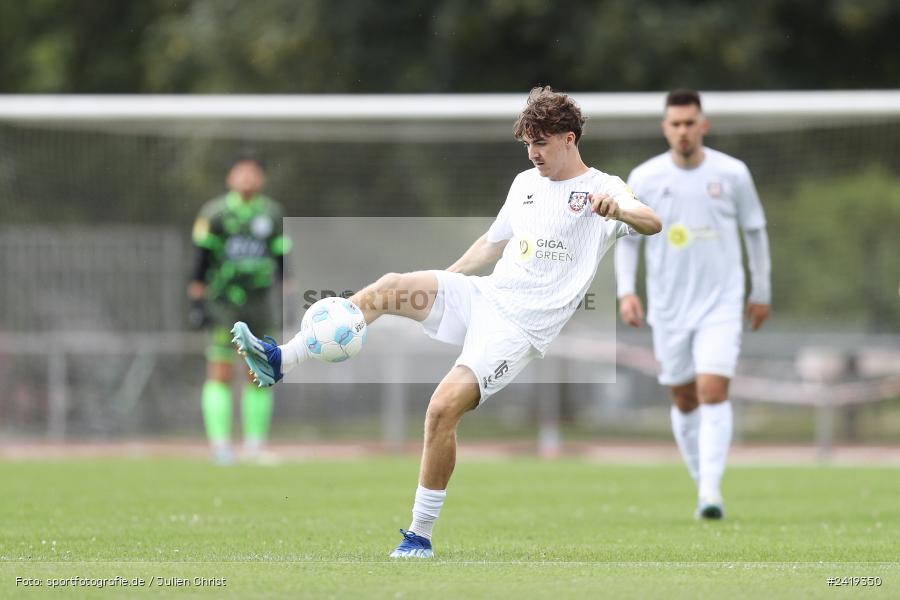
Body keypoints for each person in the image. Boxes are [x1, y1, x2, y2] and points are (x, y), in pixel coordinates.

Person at [232, 87, 661, 557]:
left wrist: (619, 208)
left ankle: (419, 535)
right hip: (482, 297)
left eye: (542, 142)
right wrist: (443, 283)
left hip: (518, 331)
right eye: (528, 143)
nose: (534, 152)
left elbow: (650, 219)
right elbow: (490, 244)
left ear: (569, 139)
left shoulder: (603, 187)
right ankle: (282, 359)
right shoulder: (524, 184)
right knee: (393, 285)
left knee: (440, 410)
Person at [615, 89, 771, 519]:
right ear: (665, 128)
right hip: (668, 307)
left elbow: (755, 232)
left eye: (690, 123)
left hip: (722, 302)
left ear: (703, 125)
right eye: (675, 123)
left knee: (713, 390)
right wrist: (626, 290)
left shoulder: (733, 173)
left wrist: (762, 292)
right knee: (684, 398)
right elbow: (627, 241)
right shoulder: (644, 177)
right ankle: (701, 477)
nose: (683, 131)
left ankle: (710, 492)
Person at [188, 155, 291, 465]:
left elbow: (284, 262)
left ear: (261, 179)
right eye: (241, 172)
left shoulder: (271, 214)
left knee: (259, 372)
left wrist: (289, 297)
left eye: (253, 173)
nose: (247, 178)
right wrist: (197, 301)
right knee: (220, 371)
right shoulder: (215, 214)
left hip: (260, 305)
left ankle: (254, 445)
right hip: (224, 304)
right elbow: (199, 262)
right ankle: (220, 446)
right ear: (230, 178)